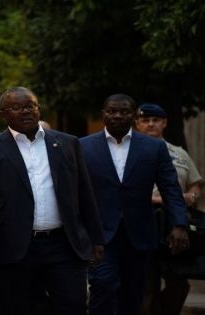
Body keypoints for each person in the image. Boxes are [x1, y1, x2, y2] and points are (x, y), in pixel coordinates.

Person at [0, 86, 105, 314]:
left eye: (30, 106)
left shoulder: (67, 143)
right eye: (16, 107)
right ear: (3, 113)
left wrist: (96, 238)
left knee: (73, 305)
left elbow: (84, 193)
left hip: (64, 245)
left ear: (38, 109)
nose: (25, 111)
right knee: (18, 307)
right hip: (14, 246)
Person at [80, 94, 189, 315]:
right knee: (103, 284)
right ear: (103, 114)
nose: (118, 115)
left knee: (133, 292)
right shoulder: (83, 146)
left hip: (139, 232)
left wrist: (179, 224)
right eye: (112, 111)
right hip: (99, 234)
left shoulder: (153, 148)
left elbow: (171, 188)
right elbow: (74, 191)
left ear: (133, 115)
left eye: (124, 111)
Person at [135, 103, 203, 315]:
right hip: (144, 223)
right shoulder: (129, 152)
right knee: (147, 285)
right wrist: (160, 199)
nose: (151, 124)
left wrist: (192, 195)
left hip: (175, 224)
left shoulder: (179, 153)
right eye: (145, 120)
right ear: (137, 124)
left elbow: (195, 184)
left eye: (156, 120)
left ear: (165, 123)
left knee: (179, 282)